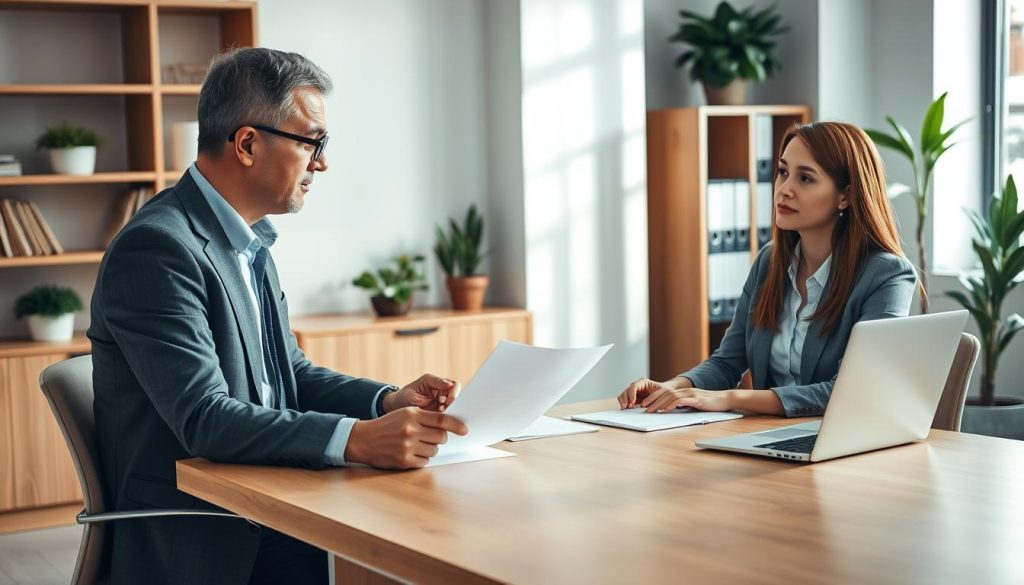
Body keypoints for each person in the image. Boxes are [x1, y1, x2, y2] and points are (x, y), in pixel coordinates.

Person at [88, 48, 468, 585]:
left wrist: (385, 401)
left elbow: (290, 373)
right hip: (205, 533)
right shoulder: (158, 248)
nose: (322, 162)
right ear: (247, 143)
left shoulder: (249, 241)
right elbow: (205, 418)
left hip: (272, 504)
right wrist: (357, 439)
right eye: (313, 141)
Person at [618, 121, 917, 417]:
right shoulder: (770, 262)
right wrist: (672, 389)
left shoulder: (887, 275)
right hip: (765, 438)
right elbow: (727, 363)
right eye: (783, 172)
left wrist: (728, 398)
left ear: (846, 196)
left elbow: (853, 391)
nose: (784, 190)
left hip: (843, 444)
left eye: (806, 179)